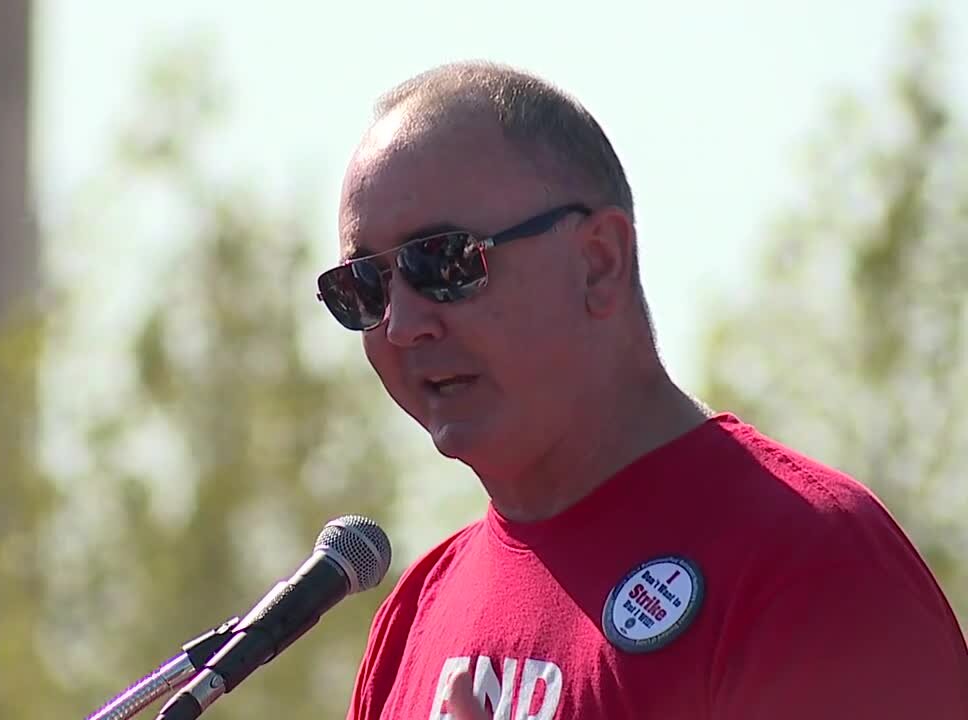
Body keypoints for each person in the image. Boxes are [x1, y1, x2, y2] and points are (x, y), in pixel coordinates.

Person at [314, 60, 968, 720]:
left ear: (600, 261)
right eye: (364, 286)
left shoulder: (809, 566)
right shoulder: (417, 611)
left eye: (442, 260)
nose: (401, 324)